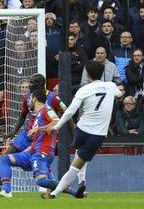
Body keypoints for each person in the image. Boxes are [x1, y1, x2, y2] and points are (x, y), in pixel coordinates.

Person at [42, 60, 124, 199]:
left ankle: (82, 182)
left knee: (79, 154)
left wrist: (56, 126)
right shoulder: (110, 86)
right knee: (76, 165)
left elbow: (69, 112)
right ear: (102, 73)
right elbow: (119, 94)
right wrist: (116, 92)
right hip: (97, 135)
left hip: (81, 130)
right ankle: (55, 193)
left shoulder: (84, 89)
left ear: (87, 75)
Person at [0, 88, 79, 198]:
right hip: (33, 152)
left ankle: (73, 191)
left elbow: (57, 122)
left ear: (34, 99)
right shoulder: (38, 115)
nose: (28, 101)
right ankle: (6, 190)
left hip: (42, 153)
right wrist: (25, 151)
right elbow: (37, 140)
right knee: (6, 159)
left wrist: (37, 129)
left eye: (30, 99)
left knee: (41, 182)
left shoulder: (46, 109)